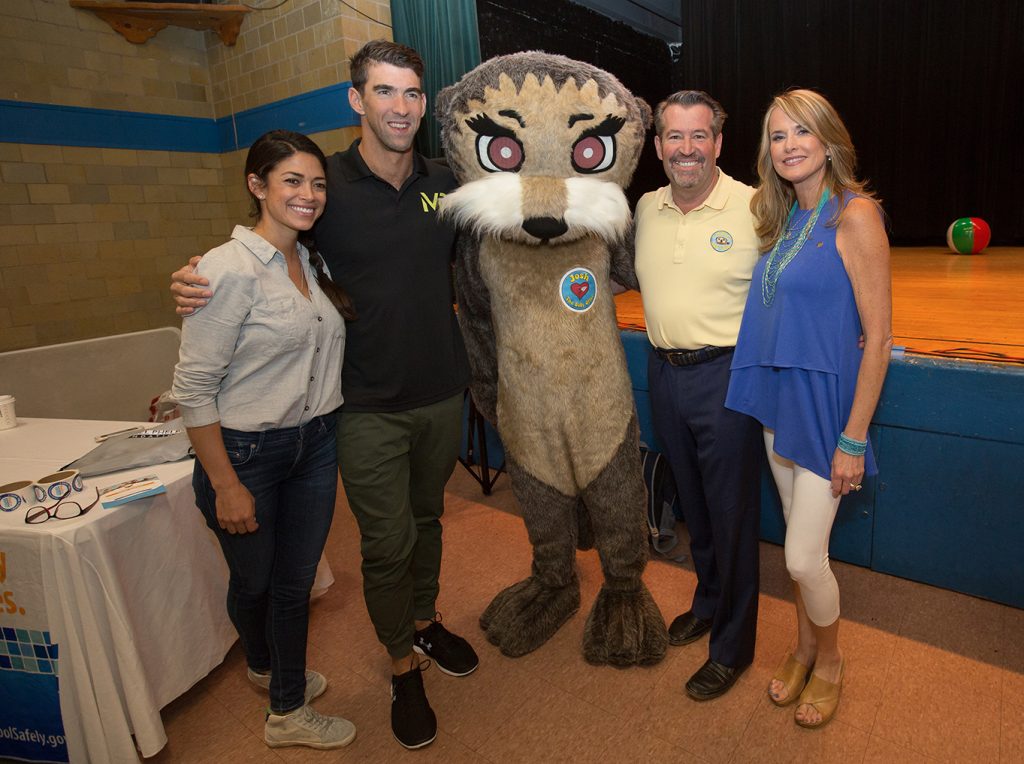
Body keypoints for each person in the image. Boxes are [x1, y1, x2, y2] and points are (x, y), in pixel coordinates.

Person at [170, 40, 477, 751]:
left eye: (410, 94)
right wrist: (192, 276)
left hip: (441, 392)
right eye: (383, 92)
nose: (399, 107)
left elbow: (494, 245)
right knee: (386, 541)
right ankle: (402, 666)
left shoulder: (447, 180)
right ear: (356, 99)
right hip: (363, 405)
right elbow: (267, 245)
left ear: (423, 103)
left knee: (428, 520)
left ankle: (426, 624)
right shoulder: (325, 185)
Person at [171, 129, 357, 749]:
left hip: (315, 444)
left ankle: (284, 706)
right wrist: (225, 485)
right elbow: (194, 388)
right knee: (253, 583)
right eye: (293, 181)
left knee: (292, 582)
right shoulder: (224, 270)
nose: (309, 195)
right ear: (257, 186)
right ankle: (268, 667)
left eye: (317, 183)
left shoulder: (311, 260)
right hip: (247, 454)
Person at [725, 88, 891, 728]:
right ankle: (800, 647)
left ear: (827, 141)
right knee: (804, 540)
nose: (789, 145)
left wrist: (853, 438)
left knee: (800, 557)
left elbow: (877, 340)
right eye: (776, 135)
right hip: (778, 405)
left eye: (801, 132)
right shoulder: (783, 218)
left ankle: (831, 661)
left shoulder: (855, 214)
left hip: (827, 414)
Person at [633, 91, 762, 701]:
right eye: (674, 138)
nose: (687, 149)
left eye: (699, 136)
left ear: (718, 143)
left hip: (727, 378)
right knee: (696, 510)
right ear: (658, 146)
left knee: (733, 516)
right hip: (663, 374)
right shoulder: (646, 207)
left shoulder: (756, 206)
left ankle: (733, 648)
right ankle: (708, 601)